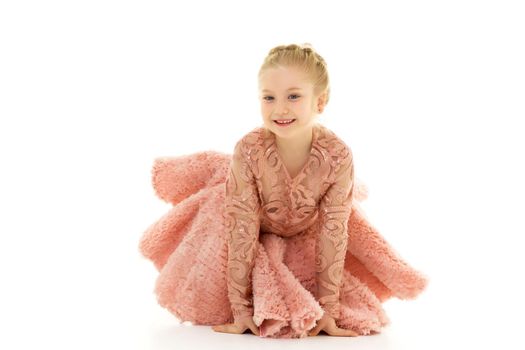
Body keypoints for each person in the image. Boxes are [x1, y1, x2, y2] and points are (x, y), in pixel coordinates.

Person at [139, 43, 428, 339]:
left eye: (293, 96)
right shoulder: (249, 150)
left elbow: (334, 231)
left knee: (334, 234)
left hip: (302, 223)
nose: (280, 108)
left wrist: (329, 309)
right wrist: (240, 309)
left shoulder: (337, 155)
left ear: (320, 102)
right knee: (225, 222)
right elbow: (241, 228)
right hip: (241, 216)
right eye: (269, 97)